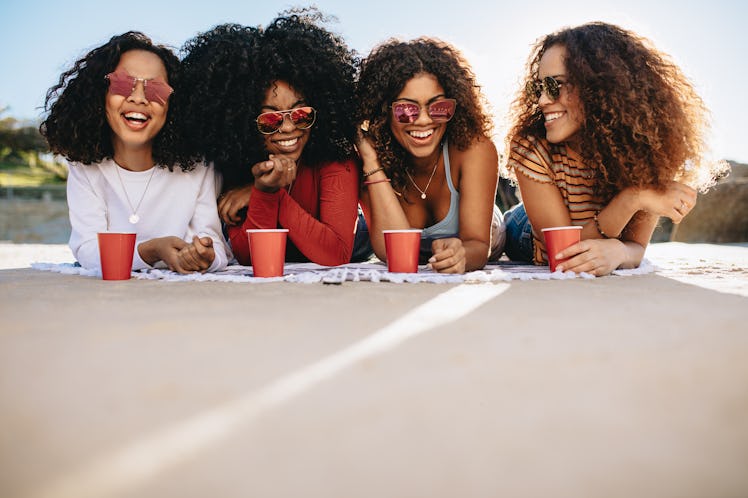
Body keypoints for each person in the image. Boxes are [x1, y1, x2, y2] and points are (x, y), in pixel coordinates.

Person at [503, 22, 727, 276]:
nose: (543, 100)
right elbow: (562, 254)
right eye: (539, 88)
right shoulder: (531, 145)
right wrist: (633, 197)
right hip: (524, 230)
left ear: (600, 87)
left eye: (555, 86)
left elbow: (635, 247)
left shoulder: (651, 150)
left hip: (585, 225)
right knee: (497, 234)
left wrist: (619, 252)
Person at [178, 10, 364, 267]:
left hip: (353, 244)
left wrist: (266, 193)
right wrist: (264, 191)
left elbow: (336, 253)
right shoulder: (239, 162)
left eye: (300, 114)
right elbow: (247, 256)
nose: (288, 128)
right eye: (270, 120)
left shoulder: (334, 157)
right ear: (243, 122)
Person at [40, 31, 230, 274]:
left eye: (156, 90)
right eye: (122, 84)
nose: (139, 98)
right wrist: (151, 250)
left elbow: (215, 247)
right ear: (100, 94)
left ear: (174, 104)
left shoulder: (198, 167)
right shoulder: (85, 169)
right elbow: (88, 250)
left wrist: (204, 256)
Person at [355, 38, 505, 274]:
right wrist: (372, 162)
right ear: (383, 111)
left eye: (438, 107)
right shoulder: (371, 159)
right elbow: (390, 251)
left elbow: (478, 246)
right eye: (406, 109)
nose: (424, 120)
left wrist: (462, 254)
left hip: (492, 232)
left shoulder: (473, 149)